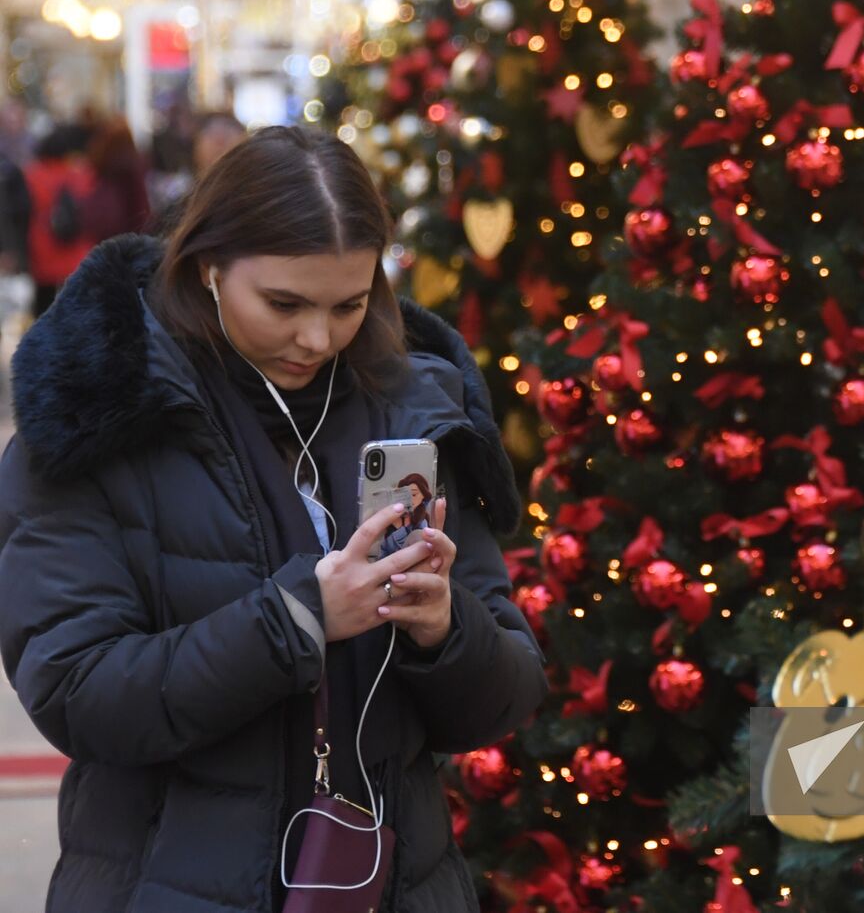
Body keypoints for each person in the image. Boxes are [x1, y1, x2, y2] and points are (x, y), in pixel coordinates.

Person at [0, 126, 546, 912]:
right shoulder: (101, 410)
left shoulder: (416, 410)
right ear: (210, 266)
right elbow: (78, 694)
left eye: (348, 305)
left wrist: (443, 630)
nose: (316, 338)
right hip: (167, 883)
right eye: (284, 304)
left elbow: (509, 693)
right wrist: (298, 619)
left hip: (392, 884)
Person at [23, 123, 95, 320]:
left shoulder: (33, 175)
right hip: (74, 249)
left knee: (42, 304)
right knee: (72, 307)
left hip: (43, 244)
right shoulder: (82, 175)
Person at [83, 116, 151, 240]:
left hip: (103, 238)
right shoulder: (134, 169)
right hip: (127, 239)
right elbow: (141, 212)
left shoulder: (100, 166)